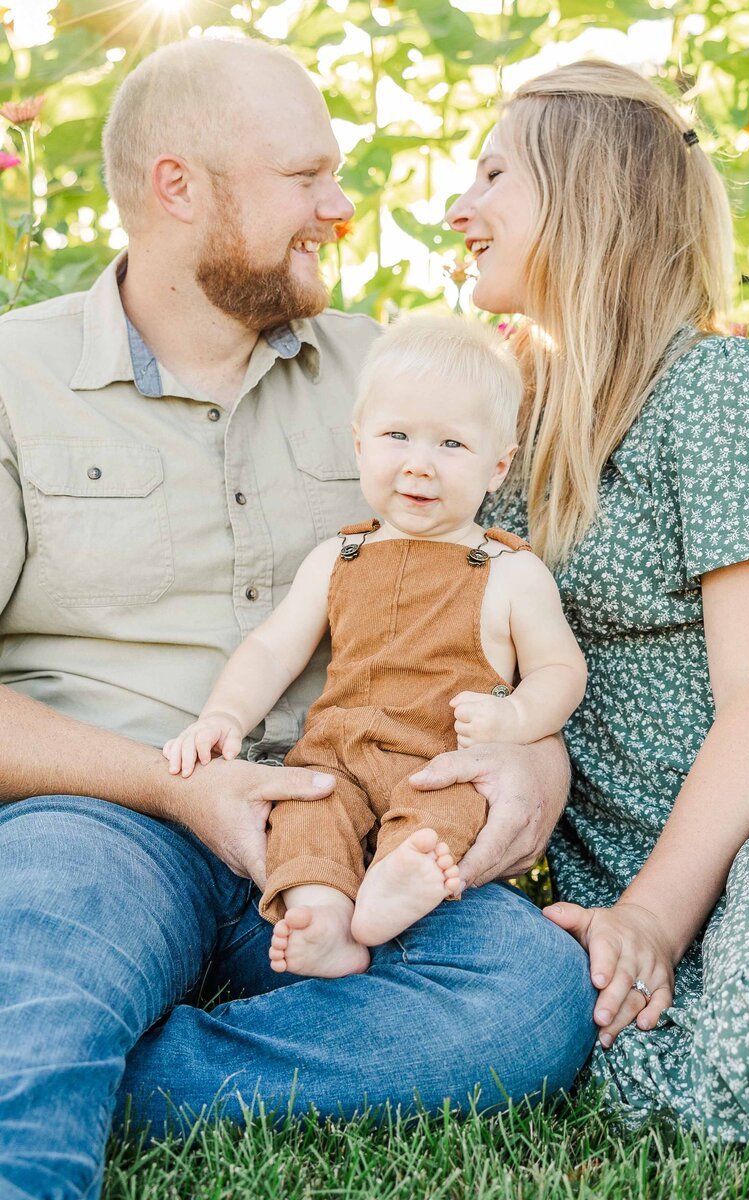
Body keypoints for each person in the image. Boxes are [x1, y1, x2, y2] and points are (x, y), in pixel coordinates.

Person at [0, 38, 596, 1200]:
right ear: (182, 187)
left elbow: (509, 620)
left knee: (528, 1000)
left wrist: (535, 764)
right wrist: (175, 785)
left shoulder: (398, 381)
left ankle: (92, 1064)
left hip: (372, 824)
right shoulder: (12, 380)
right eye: (306, 176)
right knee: (44, 945)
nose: (341, 205)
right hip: (110, 822)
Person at [446, 59, 749, 1165]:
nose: (458, 208)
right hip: (623, 877)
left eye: (493, 173)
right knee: (583, 1025)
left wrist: (653, 909)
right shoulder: (499, 416)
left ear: (587, 192)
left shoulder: (716, 392)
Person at [164, 316, 587, 978]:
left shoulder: (507, 570)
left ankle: (399, 880)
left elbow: (560, 670)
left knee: (447, 809)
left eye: (451, 444)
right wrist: (225, 717)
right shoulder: (340, 556)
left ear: (496, 466)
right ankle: (326, 915)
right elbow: (274, 649)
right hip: (338, 755)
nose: (419, 463)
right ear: (360, 444)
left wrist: (514, 720)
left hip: (440, 759)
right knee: (307, 810)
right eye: (397, 437)